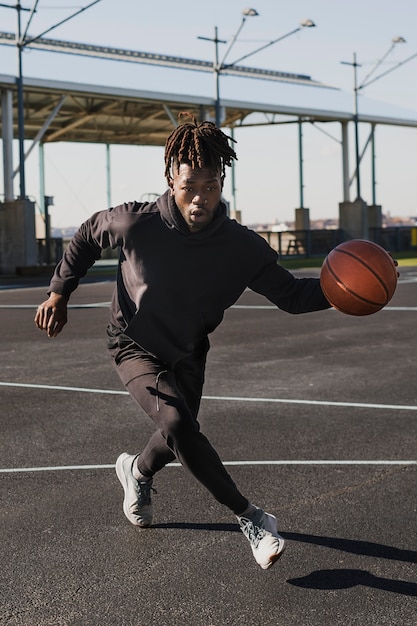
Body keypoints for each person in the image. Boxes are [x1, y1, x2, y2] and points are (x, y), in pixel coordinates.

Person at [35, 112, 331, 570]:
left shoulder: (240, 247)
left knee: (176, 432)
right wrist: (59, 291)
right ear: (171, 178)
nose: (199, 198)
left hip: (189, 348)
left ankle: (136, 472)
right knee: (177, 423)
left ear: (222, 182)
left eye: (210, 186)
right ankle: (251, 517)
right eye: (190, 185)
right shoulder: (137, 224)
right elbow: (88, 235)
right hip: (132, 343)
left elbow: (291, 295)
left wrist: (345, 292)